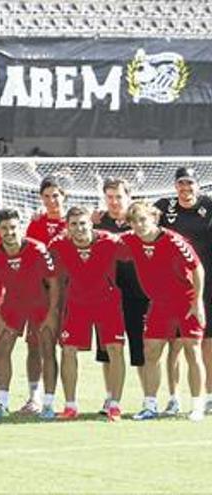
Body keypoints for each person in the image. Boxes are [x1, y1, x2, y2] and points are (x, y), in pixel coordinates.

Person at [122, 201, 206, 422]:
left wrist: (197, 302)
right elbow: (103, 241)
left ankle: (197, 405)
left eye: (143, 220)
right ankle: (150, 405)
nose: (139, 226)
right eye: (134, 221)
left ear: (154, 218)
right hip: (159, 304)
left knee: (192, 350)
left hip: (185, 302)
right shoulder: (129, 240)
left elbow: (198, 268)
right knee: (151, 352)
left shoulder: (174, 241)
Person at [48, 206, 129, 421]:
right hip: (77, 304)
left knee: (115, 349)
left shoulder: (110, 241)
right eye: (73, 224)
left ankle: (114, 405)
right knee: (68, 350)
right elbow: (52, 273)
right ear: (67, 227)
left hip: (108, 304)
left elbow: (136, 251)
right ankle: (70, 405)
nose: (79, 228)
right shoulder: (58, 245)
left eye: (83, 223)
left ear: (91, 223)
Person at [0, 208, 59, 419]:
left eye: (13, 227)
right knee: (2, 348)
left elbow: (53, 283)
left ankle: (48, 404)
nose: (10, 232)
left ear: (21, 227)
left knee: (46, 349)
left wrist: (52, 313)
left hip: (39, 303)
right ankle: (1, 404)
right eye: (4, 228)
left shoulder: (37, 249)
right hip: (13, 304)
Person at [152, 166, 212, 416]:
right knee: (174, 344)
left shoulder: (208, 205)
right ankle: (173, 398)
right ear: (175, 186)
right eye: (181, 184)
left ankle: (208, 396)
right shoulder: (165, 207)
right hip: (174, 286)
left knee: (206, 343)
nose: (185, 189)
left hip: (207, 284)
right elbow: (142, 216)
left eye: (190, 184)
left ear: (198, 185)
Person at [94, 178, 149, 415]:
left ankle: (150, 400)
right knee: (107, 351)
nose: (114, 202)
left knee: (142, 349)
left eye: (118, 197)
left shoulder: (140, 221)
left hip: (139, 295)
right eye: (110, 197)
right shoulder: (97, 222)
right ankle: (110, 398)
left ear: (129, 197)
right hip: (106, 297)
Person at [19, 175, 67, 415]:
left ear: (64, 196)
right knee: (35, 346)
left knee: (67, 349)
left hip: (68, 294)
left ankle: (65, 401)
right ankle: (34, 397)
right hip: (38, 294)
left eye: (55, 196)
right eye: (46, 197)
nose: (51, 201)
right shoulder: (35, 224)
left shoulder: (76, 222)